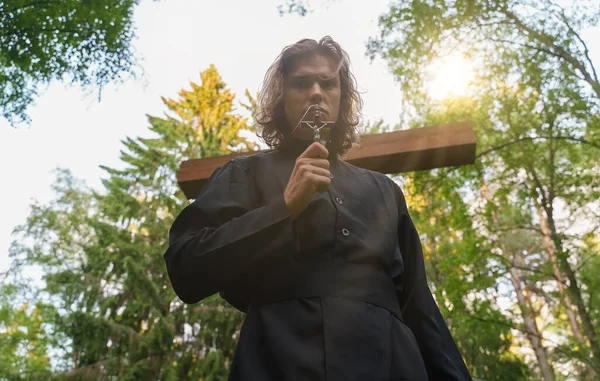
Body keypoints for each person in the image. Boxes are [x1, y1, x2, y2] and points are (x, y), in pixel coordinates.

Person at [164, 36, 472, 381]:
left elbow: (419, 306)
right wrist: (284, 209)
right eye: (301, 83)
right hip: (278, 360)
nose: (315, 92)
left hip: (390, 362)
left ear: (342, 97)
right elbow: (185, 268)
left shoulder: (385, 191)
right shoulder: (243, 174)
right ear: (281, 99)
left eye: (328, 82)